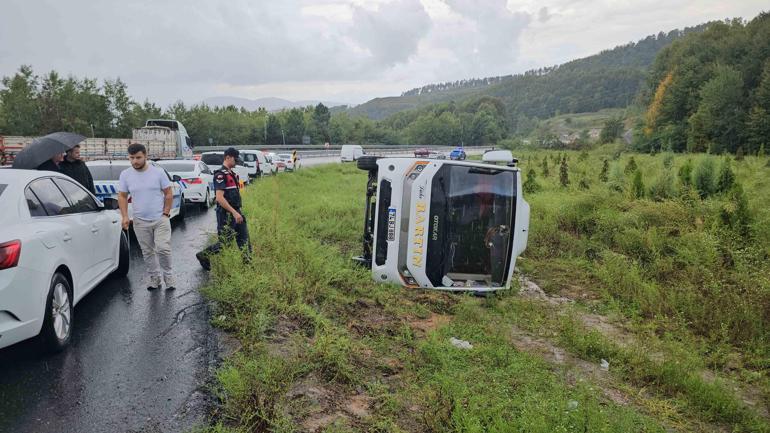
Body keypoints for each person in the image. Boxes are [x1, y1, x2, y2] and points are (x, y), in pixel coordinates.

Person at [118, 143, 176, 290]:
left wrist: (166, 213)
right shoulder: (125, 175)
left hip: (160, 219)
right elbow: (122, 196)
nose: (135, 161)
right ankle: (154, 278)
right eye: (131, 158)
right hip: (140, 221)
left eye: (138, 157)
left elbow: (168, 193)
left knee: (163, 248)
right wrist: (125, 216)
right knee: (147, 251)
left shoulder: (158, 172)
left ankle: (168, 276)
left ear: (145, 156)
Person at [196, 147, 251, 270]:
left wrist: (238, 212)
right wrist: (234, 213)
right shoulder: (220, 175)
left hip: (237, 212)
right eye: (235, 159)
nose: (237, 162)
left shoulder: (232, 174)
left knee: (244, 241)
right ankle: (203, 255)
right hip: (226, 215)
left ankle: (248, 268)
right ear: (228, 158)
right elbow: (219, 198)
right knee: (225, 243)